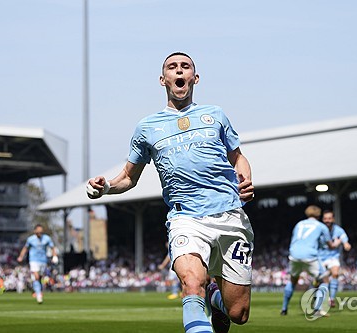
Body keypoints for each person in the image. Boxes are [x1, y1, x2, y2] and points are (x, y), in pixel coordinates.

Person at [86, 52, 255, 333]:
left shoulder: (215, 115)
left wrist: (245, 176)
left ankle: (216, 299)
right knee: (191, 282)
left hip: (230, 215)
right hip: (185, 218)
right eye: (172, 67)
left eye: (185, 67)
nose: (179, 71)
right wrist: (104, 187)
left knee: (238, 313)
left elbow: (238, 157)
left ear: (194, 78)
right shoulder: (147, 127)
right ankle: (203, 299)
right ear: (163, 79)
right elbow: (128, 177)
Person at [280, 205, 338, 316]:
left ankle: (284, 309)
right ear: (318, 215)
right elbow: (330, 245)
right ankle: (317, 309)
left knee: (293, 280)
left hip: (294, 254)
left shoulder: (299, 224)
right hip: (310, 255)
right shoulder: (321, 226)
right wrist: (336, 243)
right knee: (324, 280)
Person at [17, 224, 58, 304]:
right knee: (36, 276)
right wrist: (21, 256)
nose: (40, 233)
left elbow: (52, 247)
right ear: (35, 231)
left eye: (41, 232)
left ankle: (36, 290)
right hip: (33, 260)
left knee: (40, 278)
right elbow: (25, 248)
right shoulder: (31, 239)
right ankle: (39, 295)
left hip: (43, 261)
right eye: (38, 232)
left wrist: (54, 255)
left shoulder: (46, 238)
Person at [318, 210, 351, 307]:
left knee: (335, 274)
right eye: (325, 218)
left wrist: (346, 244)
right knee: (321, 281)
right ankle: (317, 296)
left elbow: (344, 238)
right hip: (320, 257)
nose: (327, 220)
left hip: (333, 256)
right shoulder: (319, 230)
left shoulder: (338, 230)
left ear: (333, 219)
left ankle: (331, 299)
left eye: (329, 218)